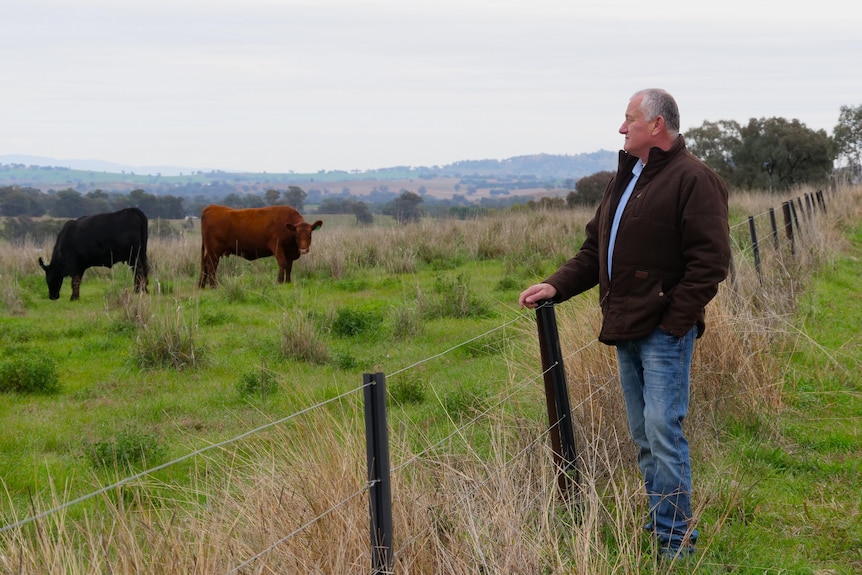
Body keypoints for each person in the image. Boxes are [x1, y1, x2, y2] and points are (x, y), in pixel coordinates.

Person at [518, 88, 731, 559]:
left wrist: (674, 322)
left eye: (629, 119)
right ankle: (663, 528)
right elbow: (596, 250)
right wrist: (555, 286)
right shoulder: (627, 178)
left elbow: (711, 262)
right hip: (625, 327)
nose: (621, 128)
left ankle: (675, 546)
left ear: (656, 125)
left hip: (663, 334)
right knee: (644, 435)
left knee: (663, 431)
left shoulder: (695, 179)